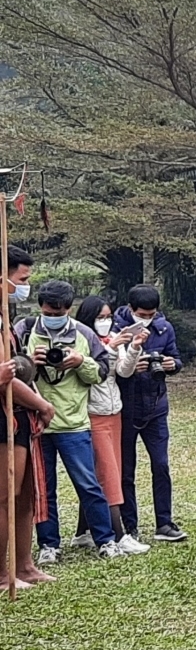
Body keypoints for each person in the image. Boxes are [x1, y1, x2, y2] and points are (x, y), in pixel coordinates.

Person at [16, 280, 122, 562]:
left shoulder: (84, 333)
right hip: (37, 425)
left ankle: (105, 541)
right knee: (43, 489)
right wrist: (31, 363)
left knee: (88, 485)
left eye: (59, 312)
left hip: (75, 424)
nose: (54, 317)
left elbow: (99, 374)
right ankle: (49, 545)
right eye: (49, 313)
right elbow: (15, 375)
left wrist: (79, 361)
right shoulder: (24, 330)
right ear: (40, 307)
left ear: (69, 308)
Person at [68, 297, 148, 555]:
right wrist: (110, 348)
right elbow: (93, 373)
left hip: (114, 412)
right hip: (93, 414)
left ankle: (83, 532)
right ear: (89, 318)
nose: (106, 322)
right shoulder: (81, 340)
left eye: (109, 317)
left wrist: (133, 347)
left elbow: (123, 372)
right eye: (100, 317)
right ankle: (118, 534)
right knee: (108, 476)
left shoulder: (113, 337)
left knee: (103, 473)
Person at [2, 246, 58, 587]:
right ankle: (2, 572)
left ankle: (24, 565)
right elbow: (3, 376)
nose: (25, 285)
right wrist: (42, 405)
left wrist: (35, 399)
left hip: (21, 413)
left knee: (24, 495)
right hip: (6, 413)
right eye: (22, 279)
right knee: (5, 495)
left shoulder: (7, 318)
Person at [112, 284, 186, 542]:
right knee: (126, 470)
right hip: (125, 407)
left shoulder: (164, 328)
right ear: (131, 309)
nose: (147, 319)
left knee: (161, 465)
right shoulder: (115, 329)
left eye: (151, 314)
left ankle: (164, 523)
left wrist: (170, 364)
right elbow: (112, 367)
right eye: (142, 314)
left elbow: (176, 359)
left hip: (156, 406)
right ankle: (129, 525)